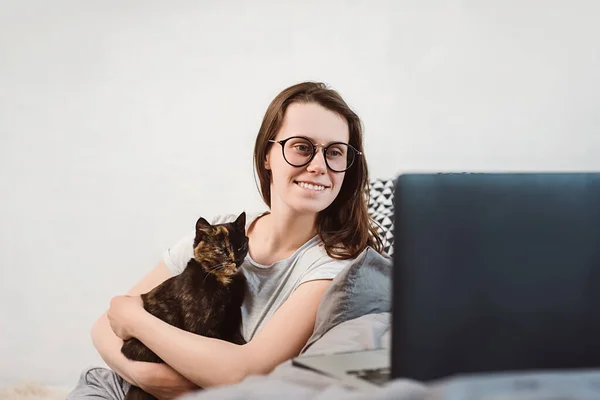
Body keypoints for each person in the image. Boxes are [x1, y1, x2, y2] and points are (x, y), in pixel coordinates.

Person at [67, 81, 383, 400]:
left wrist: (133, 319)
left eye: (335, 152)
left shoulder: (333, 265)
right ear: (266, 156)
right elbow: (103, 327)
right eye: (302, 147)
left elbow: (243, 372)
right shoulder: (219, 230)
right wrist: (143, 373)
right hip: (124, 385)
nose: (318, 166)